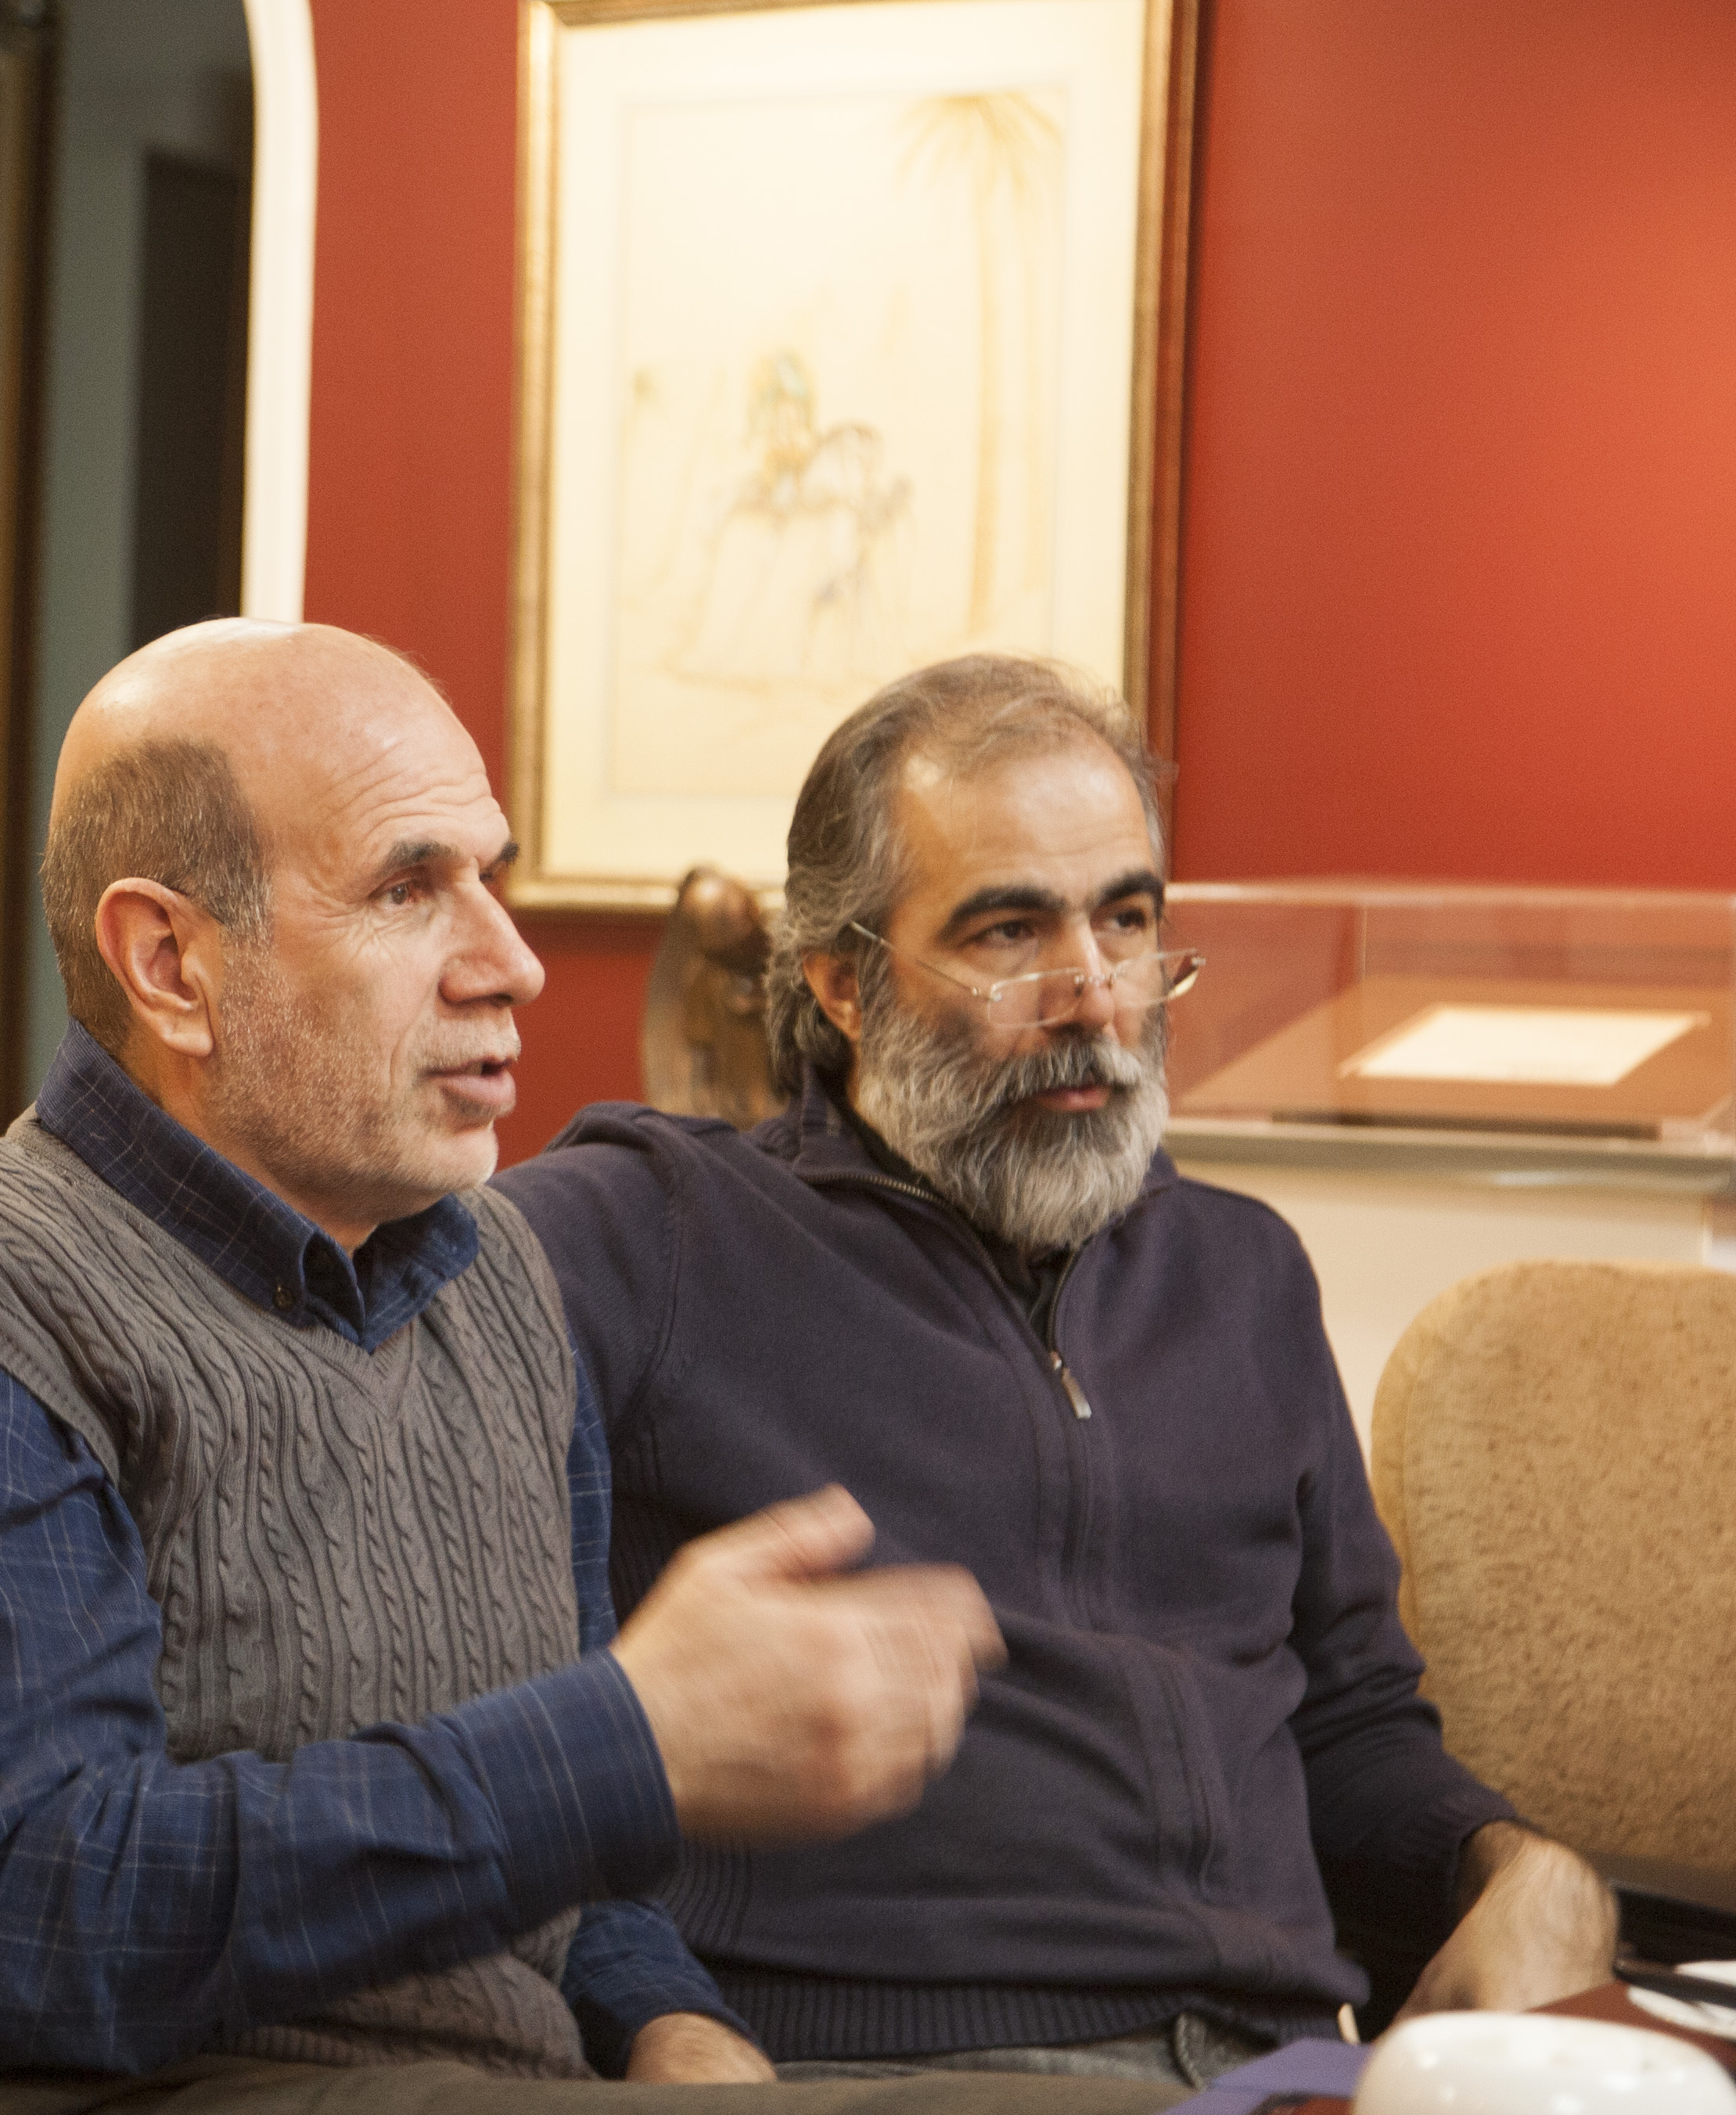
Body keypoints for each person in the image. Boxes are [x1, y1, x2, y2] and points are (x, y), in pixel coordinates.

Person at [0, 619, 1181, 2114]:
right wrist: (625, 1743)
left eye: (491, 879)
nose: (510, 965)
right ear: (171, 963)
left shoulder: (492, 1274)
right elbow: (9, 1918)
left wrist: (674, 2027)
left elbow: (584, 1878)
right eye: (407, 890)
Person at [484, 654, 1614, 2084]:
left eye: (1126, 920)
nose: (1093, 996)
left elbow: (1345, 1727)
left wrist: (1510, 1869)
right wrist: (656, 2019)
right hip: (895, 2071)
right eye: (1009, 930)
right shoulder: (641, 1238)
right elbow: (488, 1729)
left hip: (1280, 2071)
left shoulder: (1241, 1274)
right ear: (842, 983)